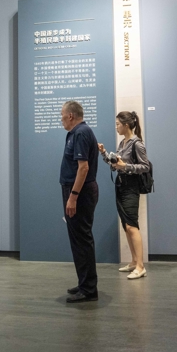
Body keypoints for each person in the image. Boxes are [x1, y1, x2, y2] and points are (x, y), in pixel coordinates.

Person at [99, 111, 149, 280]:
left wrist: (125, 166)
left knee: (132, 225)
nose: (116, 127)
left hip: (131, 187)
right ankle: (134, 261)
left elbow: (145, 166)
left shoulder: (137, 143)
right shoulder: (123, 143)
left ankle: (141, 266)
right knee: (126, 225)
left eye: (118, 124)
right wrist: (104, 154)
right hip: (121, 185)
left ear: (126, 125)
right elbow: (116, 164)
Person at [60, 100, 100, 303]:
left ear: (70, 116)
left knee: (82, 240)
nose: (61, 120)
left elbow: (83, 168)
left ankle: (89, 289)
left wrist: (73, 196)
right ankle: (84, 283)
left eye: (62, 116)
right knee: (78, 240)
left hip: (80, 193)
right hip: (77, 191)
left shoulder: (81, 133)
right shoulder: (77, 133)